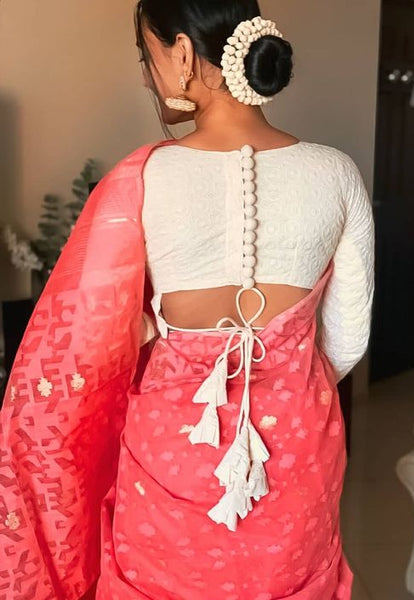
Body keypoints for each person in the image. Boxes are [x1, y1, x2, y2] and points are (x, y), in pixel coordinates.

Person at [0, 1, 375, 598]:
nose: (146, 76)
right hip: (297, 449)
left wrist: (162, 337)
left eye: (146, 55)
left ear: (180, 52)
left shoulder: (141, 178)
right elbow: (348, 341)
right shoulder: (337, 173)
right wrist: (281, 383)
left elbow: (90, 346)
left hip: (172, 447)